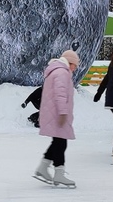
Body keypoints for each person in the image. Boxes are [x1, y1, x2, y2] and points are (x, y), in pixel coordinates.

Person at [34, 49, 79, 187]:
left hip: (54, 113)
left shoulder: (58, 71)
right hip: (57, 114)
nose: (75, 68)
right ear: (70, 62)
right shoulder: (61, 73)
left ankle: (43, 167)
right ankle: (58, 173)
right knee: (60, 143)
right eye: (75, 65)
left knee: (58, 142)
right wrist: (63, 112)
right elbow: (60, 94)